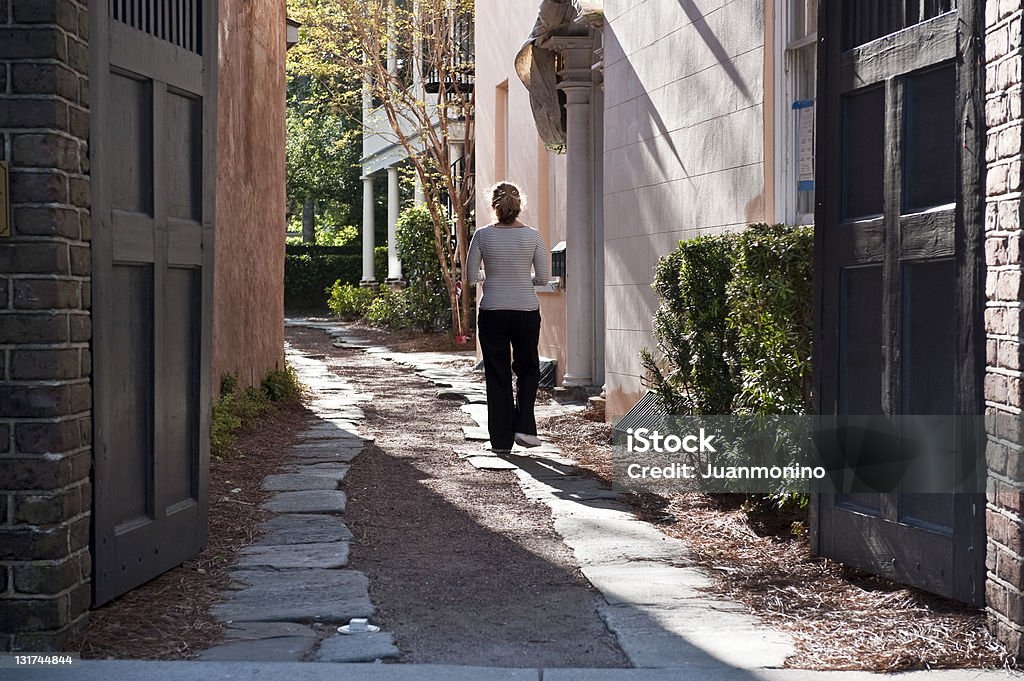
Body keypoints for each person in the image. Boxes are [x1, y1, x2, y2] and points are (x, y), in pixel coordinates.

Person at [466, 182, 550, 454]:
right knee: (528, 368)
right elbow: (544, 278)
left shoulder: (482, 236)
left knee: (497, 373)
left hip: (492, 312)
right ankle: (525, 427)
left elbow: (470, 276)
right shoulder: (534, 236)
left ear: (493, 206)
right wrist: (522, 279)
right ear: (519, 205)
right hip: (526, 310)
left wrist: (487, 278)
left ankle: (501, 442)